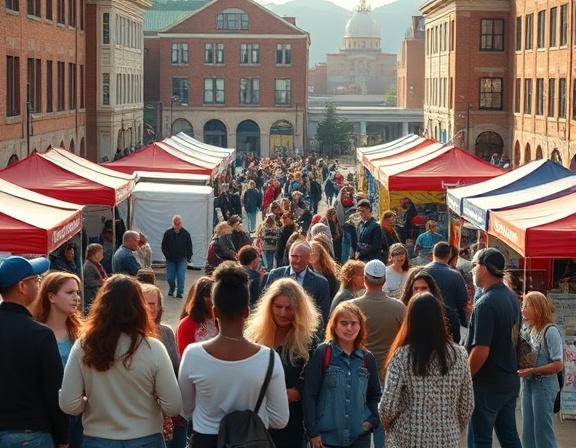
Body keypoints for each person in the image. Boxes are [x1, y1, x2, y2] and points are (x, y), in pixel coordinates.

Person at [59, 275, 182, 447]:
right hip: (146, 437)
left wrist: (89, 403)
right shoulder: (153, 348)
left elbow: (68, 404)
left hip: (97, 438)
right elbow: (174, 406)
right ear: (140, 307)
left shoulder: (83, 345)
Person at [178, 262, 289, 448]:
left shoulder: (193, 355)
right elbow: (280, 419)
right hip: (251, 441)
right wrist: (249, 421)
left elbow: (185, 410)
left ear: (214, 312)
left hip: (205, 440)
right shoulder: (269, 359)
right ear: (247, 312)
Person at [379, 292, 474, 447]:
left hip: (407, 436)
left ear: (410, 319)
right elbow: (467, 404)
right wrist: (453, 427)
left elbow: (388, 405)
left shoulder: (402, 356)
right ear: (440, 319)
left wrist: (388, 425)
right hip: (447, 437)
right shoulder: (460, 355)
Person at [0, 256, 69, 448]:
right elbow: (54, 392)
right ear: (22, 287)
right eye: (37, 280)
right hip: (30, 435)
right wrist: (63, 438)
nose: (39, 285)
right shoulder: (40, 334)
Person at [245, 278, 321, 448]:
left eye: (289, 308)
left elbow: (313, 381)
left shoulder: (309, 342)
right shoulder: (253, 337)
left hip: (291, 423)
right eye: (278, 307)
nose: (283, 313)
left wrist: (298, 390)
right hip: (256, 421)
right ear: (269, 307)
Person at [303, 302, 382, 448]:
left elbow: (375, 395)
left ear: (361, 326)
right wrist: (313, 433)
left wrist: (372, 421)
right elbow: (309, 394)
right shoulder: (323, 353)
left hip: (359, 437)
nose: (349, 328)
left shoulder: (367, 359)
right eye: (344, 323)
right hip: (326, 438)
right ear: (334, 325)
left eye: (354, 323)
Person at [465, 248, 522, 448]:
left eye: (473, 266)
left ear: (483, 269)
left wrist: (465, 378)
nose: (472, 271)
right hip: (507, 380)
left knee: (479, 439)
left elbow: (481, 350)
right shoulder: (511, 297)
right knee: (509, 436)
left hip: (488, 385)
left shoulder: (486, 304)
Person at [351, 260, 406, 448]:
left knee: (358, 425)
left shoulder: (351, 307)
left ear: (365, 279)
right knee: (384, 426)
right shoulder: (398, 307)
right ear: (383, 281)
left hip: (357, 374)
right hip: (388, 375)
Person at [33, 272, 84, 447]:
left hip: (78, 416)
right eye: (70, 293)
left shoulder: (80, 334)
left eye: (77, 293)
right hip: (45, 417)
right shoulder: (34, 333)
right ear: (51, 297)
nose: (76, 298)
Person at [141, 283, 185, 448]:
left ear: (159, 307)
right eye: (145, 303)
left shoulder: (166, 332)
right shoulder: (132, 336)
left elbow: (176, 368)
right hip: (146, 415)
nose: (149, 308)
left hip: (170, 411)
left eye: (153, 303)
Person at [518, 291, 563, 448]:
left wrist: (532, 371)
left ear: (538, 308)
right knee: (528, 431)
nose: (522, 309)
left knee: (543, 432)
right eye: (522, 306)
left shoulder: (551, 331)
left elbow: (558, 364)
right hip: (528, 385)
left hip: (544, 387)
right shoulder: (530, 330)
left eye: (526, 306)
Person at [265, 241, 331, 329]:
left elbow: (322, 316)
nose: (298, 260)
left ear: (309, 258)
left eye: (303, 257)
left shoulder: (321, 283)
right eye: (294, 256)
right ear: (289, 256)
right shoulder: (275, 275)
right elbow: (265, 304)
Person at [399, 267, 462, 345]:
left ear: (432, 290)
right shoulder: (402, 312)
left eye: (424, 288)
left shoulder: (448, 313)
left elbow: (455, 341)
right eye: (416, 289)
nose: (419, 292)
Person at [424, 242, 469, 336]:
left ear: (433, 253)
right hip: (449, 322)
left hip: (424, 319)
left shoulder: (421, 272)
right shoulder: (456, 275)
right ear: (450, 255)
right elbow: (463, 301)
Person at [176, 276, 218, 356]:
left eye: (214, 296)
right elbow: (185, 357)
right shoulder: (186, 324)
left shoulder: (223, 321)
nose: (211, 300)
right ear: (199, 298)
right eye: (207, 296)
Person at [162, 215, 193, 299]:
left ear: (181, 223)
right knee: (170, 278)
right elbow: (164, 246)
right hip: (170, 259)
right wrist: (167, 256)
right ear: (173, 224)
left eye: (178, 224)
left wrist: (189, 257)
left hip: (182, 259)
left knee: (181, 276)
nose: (177, 226)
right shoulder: (168, 233)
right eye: (175, 224)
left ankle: (180, 293)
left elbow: (189, 246)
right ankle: (172, 288)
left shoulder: (186, 234)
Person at [82, 243, 108, 313]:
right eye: (100, 252)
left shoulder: (97, 264)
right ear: (95, 254)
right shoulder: (88, 266)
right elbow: (89, 281)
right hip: (91, 295)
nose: (102, 255)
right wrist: (102, 282)